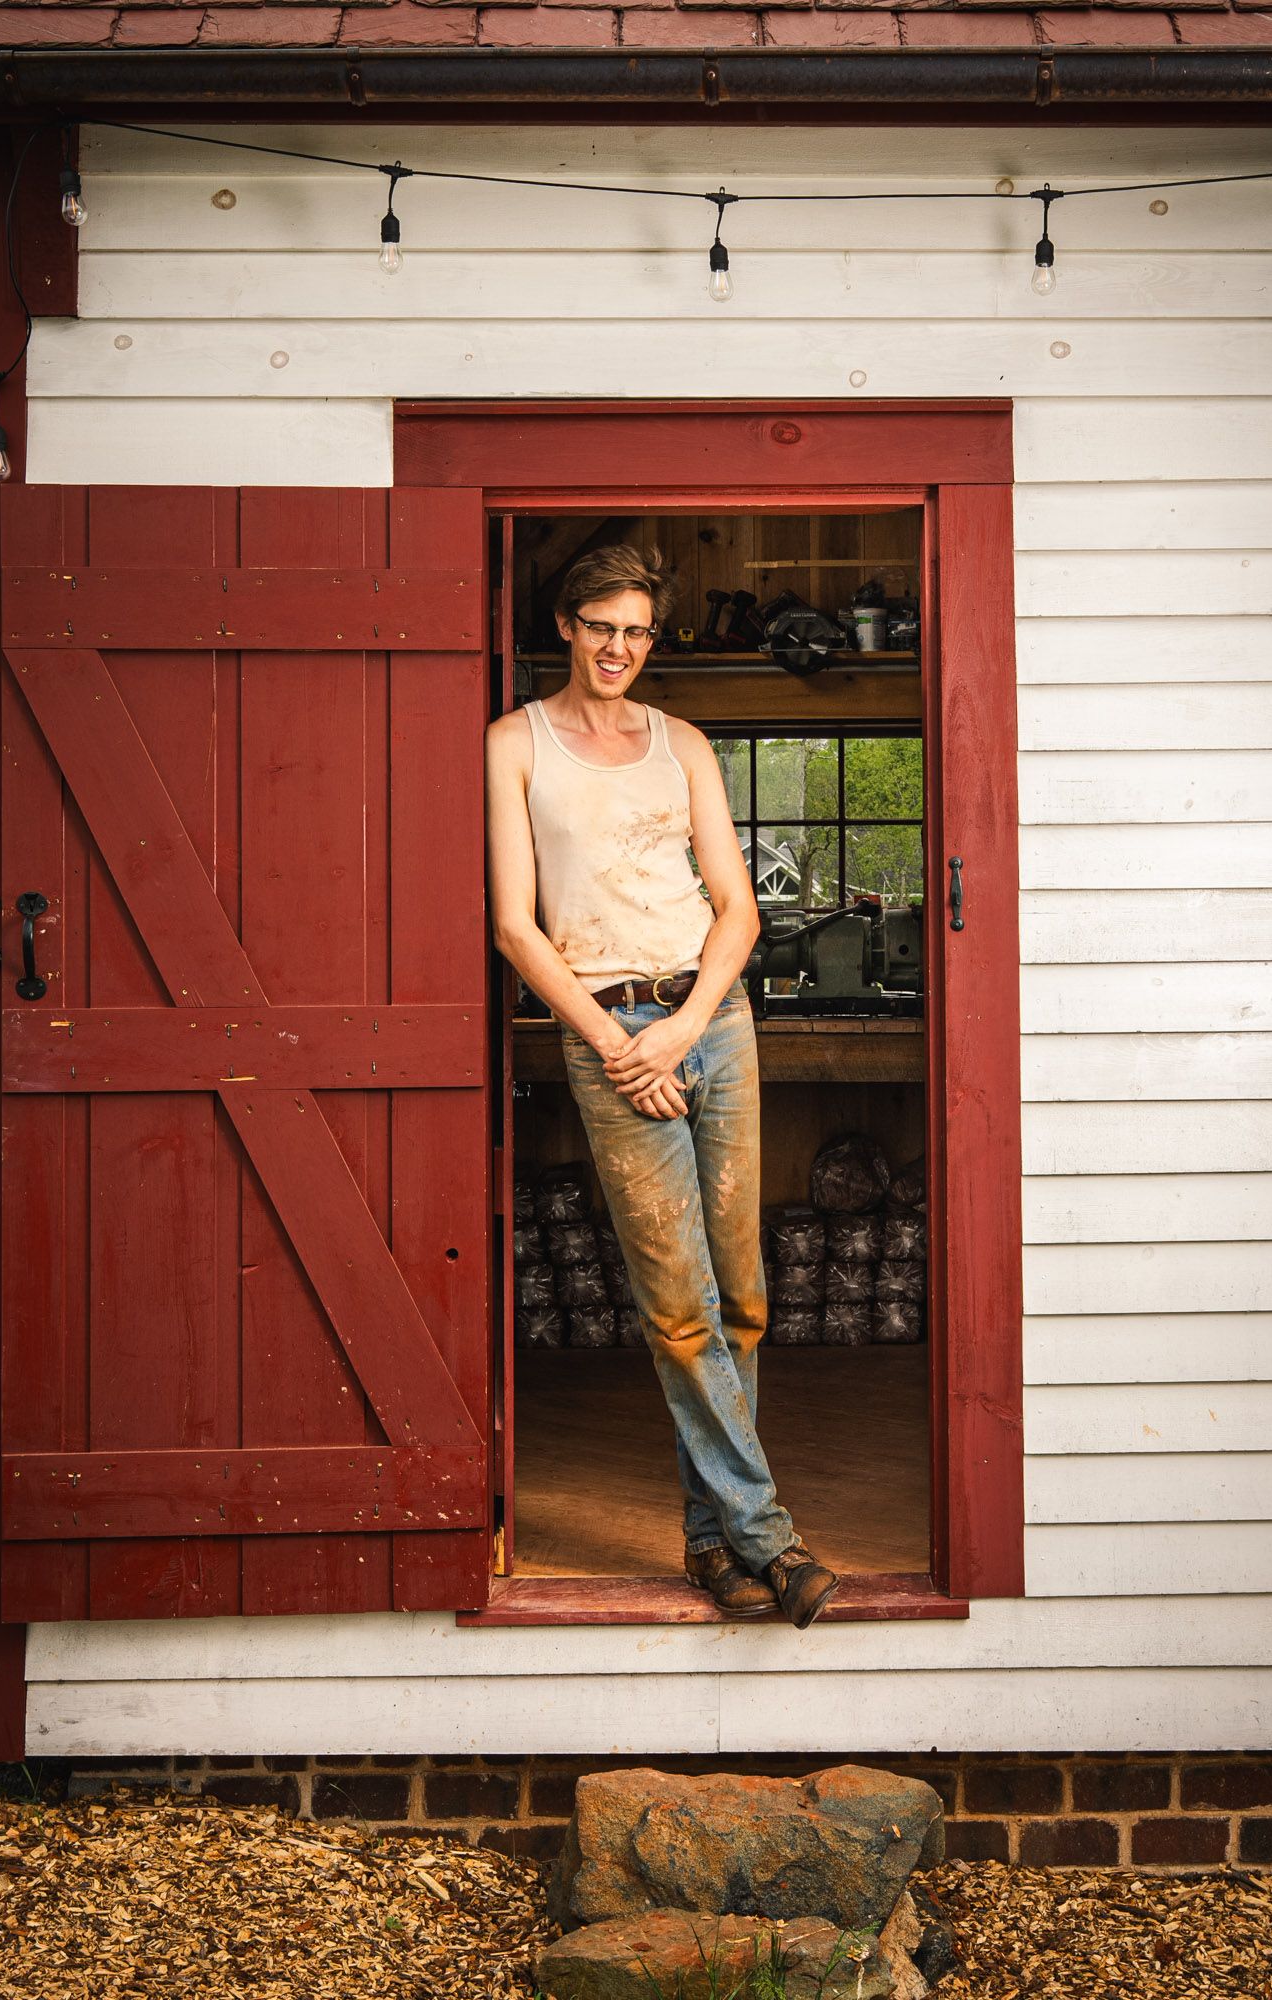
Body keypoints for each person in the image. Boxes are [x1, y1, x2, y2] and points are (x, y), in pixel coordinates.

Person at [484, 543, 840, 1629]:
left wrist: (685, 1027)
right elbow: (514, 920)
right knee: (678, 1310)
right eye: (601, 626)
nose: (618, 648)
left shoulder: (681, 743)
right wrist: (612, 1042)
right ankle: (769, 1538)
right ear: (566, 625)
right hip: (607, 1025)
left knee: (741, 1302)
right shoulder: (516, 743)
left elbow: (736, 907)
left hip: (712, 1021)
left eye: (636, 630)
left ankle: (712, 1542)